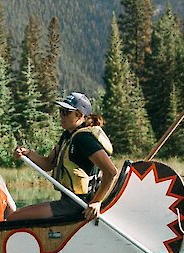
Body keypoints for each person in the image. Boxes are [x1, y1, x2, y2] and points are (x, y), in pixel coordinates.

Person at [11, 92, 118, 222]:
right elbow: (48, 164)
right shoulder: (67, 136)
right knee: (15, 216)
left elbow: (111, 172)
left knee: (14, 217)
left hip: (78, 203)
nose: (61, 115)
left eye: (66, 112)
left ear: (79, 115)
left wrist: (97, 202)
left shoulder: (83, 139)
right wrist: (28, 153)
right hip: (68, 200)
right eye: (61, 111)